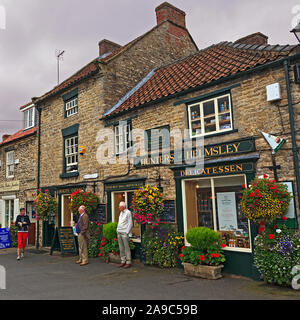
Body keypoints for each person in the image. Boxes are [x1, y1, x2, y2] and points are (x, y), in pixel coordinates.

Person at [117, 201, 133, 268]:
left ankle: (128, 261)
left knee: (126, 248)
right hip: (119, 232)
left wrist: (127, 232)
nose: (119, 208)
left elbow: (130, 223)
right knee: (121, 248)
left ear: (123, 207)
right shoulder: (121, 212)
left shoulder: (128, 212)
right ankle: (123, 261)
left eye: (120, 207)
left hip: (124, 232)